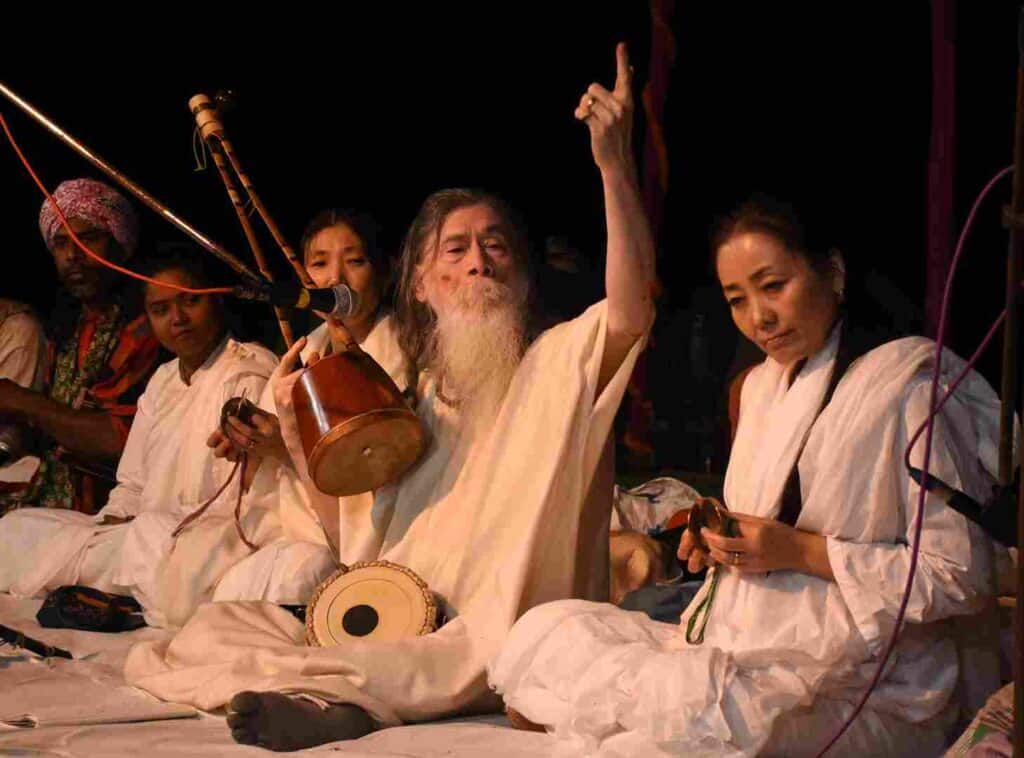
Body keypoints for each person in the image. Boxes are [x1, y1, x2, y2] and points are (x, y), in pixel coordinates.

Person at [123, 43, 654, 752]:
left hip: (492, 621)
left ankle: (343, 706)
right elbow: (353, 530)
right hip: (403, 602)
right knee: (218, 629)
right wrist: (297, 426)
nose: (478, 262)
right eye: (456, 249)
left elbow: (631, 312)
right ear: (425, 283)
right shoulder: (420, 389)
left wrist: (614, 167)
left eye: (495, 246)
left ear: (522, 273)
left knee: (460, 652)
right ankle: (349, 696)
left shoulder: (558, 360)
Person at [490, 195, 1004, 757]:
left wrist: (800, 552)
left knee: (679, 729)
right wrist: (719, 543)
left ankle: (630, 718)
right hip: (748, 649)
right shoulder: (762, 386)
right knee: (545, 631)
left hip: (871, 683)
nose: (759, 317)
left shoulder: (912, 388)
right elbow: (769, 526)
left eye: (773, 286)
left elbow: (961, 576)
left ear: (833, 271)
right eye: (737, 300)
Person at [0, 252, 278, 628]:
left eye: (190, 301)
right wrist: (110, 525)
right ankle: (118, 576)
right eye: (161, 310)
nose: (177, 319)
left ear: (216, 300)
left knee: (160, 557)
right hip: (142, 541)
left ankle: (120, 579)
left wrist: (139, 534)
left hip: (209, 543)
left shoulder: (249, 371)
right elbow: (131, 484)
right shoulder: (163, 380)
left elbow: (250, 501)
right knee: (14, 529)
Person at [209, 208, 410, 606]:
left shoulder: (404, 357)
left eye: (355, 261)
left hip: (359, 552)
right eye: (319, 264)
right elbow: (262, 489)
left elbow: (380, 491)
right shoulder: (305, 352)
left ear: (385, 273)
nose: (335, 279)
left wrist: (286, 447)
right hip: (290, 538)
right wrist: (249, 443)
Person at [0, 178, 161, 514]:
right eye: (61, 243)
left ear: (119, 245)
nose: (73, 255)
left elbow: (122, 440)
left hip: (111, 508)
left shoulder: (150, 327)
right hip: (46, 493)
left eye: (87, 239)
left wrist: (23, 401)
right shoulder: (66, 327)